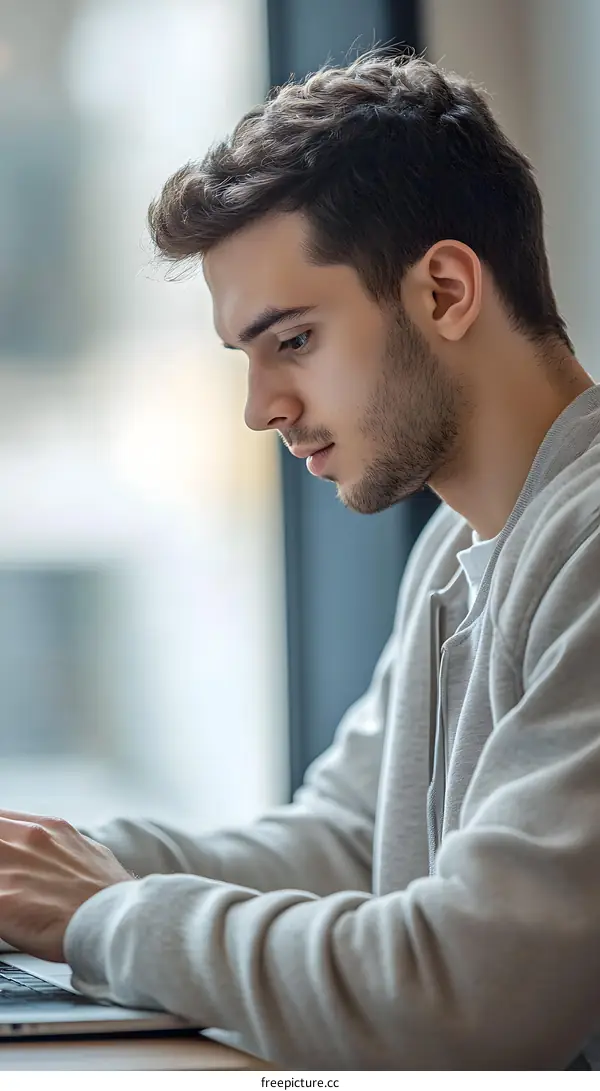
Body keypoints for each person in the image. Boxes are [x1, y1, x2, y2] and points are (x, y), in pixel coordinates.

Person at [0, 48, 599, 1070]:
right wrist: (45, 866)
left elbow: (473, 985)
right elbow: (342, 847)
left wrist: (105, 912)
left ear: (446, 289)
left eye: (296, 340)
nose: (260, 408)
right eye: (248, 356)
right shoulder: (461, 548)